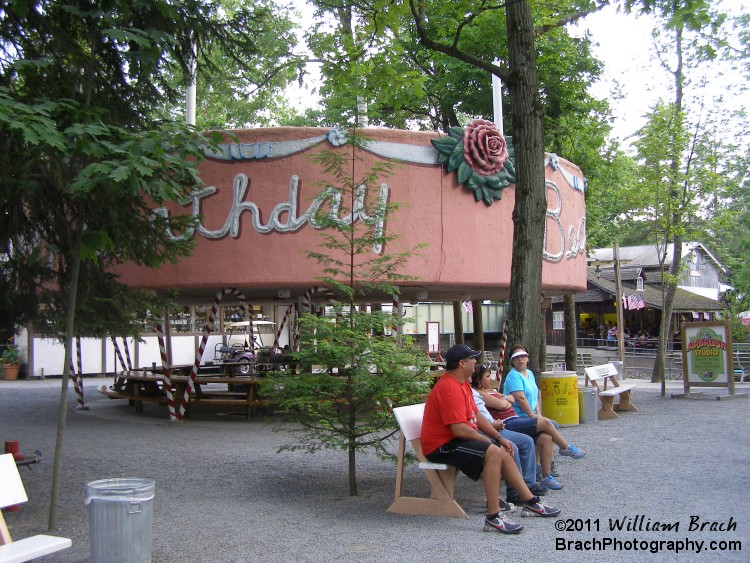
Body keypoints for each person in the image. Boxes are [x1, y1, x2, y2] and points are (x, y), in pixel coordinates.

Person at [420, 344, 561, 535]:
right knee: (493, 451)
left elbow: (476, 415)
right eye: (472, 359)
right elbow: (459, 429)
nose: (475, 363)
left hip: (454, 439)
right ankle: (493, 517)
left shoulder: (463, 385)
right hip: (440, 446)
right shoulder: (449, 388)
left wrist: (498, 437)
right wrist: (490, 442)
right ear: (462, 363)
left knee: (501, 448)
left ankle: (530, 502)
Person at [469, 366, 548, 501]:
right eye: (487, 376)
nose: (491, 379)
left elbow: (505, 403)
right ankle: (515, 492)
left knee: (528, 441)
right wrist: (494, 425)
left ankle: (529, 484)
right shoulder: (473, 391)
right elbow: (502, 405)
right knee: (514, 445)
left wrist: (495, 420)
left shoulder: (475, 390)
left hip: (496, 425)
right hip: (490, 427)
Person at [502, 344, 586, 466]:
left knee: (548, 430)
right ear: (512, 361)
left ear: (527, 358)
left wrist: (538, 413)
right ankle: (564, 448)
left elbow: (534, 395)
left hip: (529, 415)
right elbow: (520, 398)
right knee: (549, 424)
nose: (520, 360)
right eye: (516, 357)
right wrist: (532, 416)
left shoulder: (530, 373)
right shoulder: (513, 375)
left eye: (523, 356)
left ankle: (542, 466)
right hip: (517, 416)